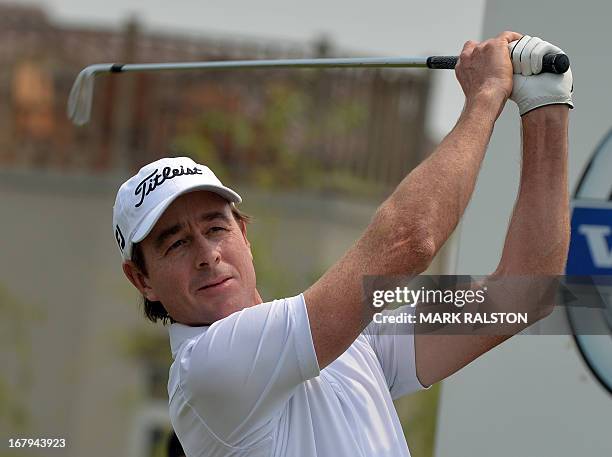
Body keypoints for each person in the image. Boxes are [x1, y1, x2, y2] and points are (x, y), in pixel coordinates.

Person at [113, 31, 573, 457]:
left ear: (244, 235)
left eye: (216, 227)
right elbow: (409, 242)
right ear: (142, 279)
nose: (207, 255)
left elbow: (524, 292)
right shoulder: (207, 370)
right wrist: (485, 96)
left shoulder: (353, 340)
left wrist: (546, 105)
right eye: (175, 244)